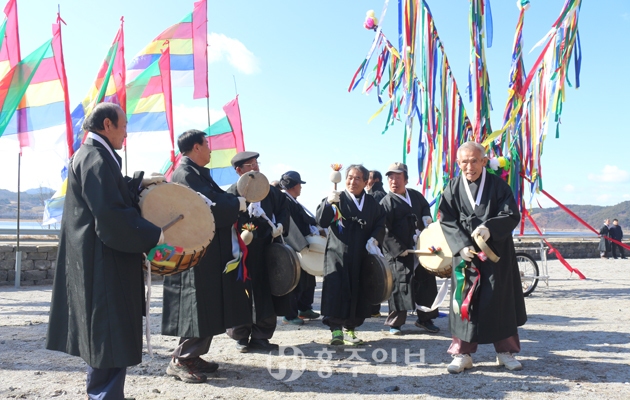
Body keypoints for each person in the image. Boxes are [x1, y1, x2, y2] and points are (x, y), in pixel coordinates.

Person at [46, 103, 163, 399]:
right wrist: (154, 233)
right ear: (108, 125)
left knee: (104, 338)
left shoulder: (92, 155)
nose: (126, 133)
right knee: (109, 338)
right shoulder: (96, 158)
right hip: (104, 262)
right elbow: (110, 213)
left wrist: (137, 183)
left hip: (99, 258)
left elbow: (109, 191)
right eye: (124, 126)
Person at [161, 130, 252, 383]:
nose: (211, 149)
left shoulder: (196, 173)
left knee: (207, 305)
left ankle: (192, 355)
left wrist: (235, 201)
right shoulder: (186, 174)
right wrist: (238, 203)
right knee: (198, 307)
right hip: (195, 251)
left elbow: (215, 199)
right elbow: (208, 205)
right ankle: (181, 360)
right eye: (207, 144)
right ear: (196, 147)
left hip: (205, 250)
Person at [438, 141, 527, 374]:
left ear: (484, 161)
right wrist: (461, 246)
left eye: (474, 160)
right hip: (466, 255)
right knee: (465, 301)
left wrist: (490, 227)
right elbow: (446, 219)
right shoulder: (453, 187)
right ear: (458, 163)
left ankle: (505, 352)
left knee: (500, 299)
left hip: (495, 253)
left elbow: (511, 213)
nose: (470, 166)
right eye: (464, 161)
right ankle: (462, 354)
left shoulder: (499, 186)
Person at [226, 151, 291, 352]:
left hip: (266, 248)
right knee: (239, 291)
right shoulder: (231, 193)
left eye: (256, 163)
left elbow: (283, 209)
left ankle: (262, 335)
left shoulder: (271, 192)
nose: (255, 168)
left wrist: (279, 225)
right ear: (239, 171)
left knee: (265, 291)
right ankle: (241, 335)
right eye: (249, 165)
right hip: (240, 250)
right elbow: (223, 217)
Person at [316, 164, 385, 345]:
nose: (352, 181)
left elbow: (380, 223)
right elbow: (322, 220)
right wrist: (327, 203)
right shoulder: (337, 198)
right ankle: (336, 330)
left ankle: (351, 329)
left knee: (358, 290)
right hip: (338, 253)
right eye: (350, 177)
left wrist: (374, 239)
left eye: (357, 178)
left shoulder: (371, 203)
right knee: (336, 289)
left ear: (365, 182)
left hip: (361, 255)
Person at [380, 162, 439, 335]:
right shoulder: (386, 202)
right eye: (391, 178)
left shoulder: (415, 195)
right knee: (400, 285)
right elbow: (384, 230)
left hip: (420, 248)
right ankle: (396, 323)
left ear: (405, 179)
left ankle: (425, 319)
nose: (394, 181)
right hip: (400, 252)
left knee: (426, 283)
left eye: (398, 177)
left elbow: (425, 209)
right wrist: (399, 248)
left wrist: (427, 219)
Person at [279, 170, 321, 325]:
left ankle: (305, 308)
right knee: (294, 281)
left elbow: (306, 220)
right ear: (295, 186)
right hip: (293, 246)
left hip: (304, 245)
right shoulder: (284, 201)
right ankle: (289, 314)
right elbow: (290, 226)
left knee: (308, 279)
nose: (301, 188)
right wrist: (300, 245)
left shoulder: (294, 201)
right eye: (299, 185)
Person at [366, 169, 386, 318]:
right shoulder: (381, 194)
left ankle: (372, 308)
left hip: (375, 240)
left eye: (368, 179)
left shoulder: (376, 196)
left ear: (376, 180)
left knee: (373, 272)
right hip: (379, 240)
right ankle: (374, 308)